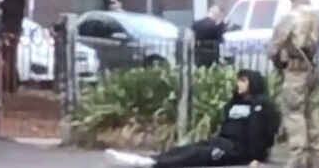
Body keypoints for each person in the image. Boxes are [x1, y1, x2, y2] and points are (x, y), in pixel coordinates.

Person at [105, 69, 280, 167]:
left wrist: (256, 157)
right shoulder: (234, 104)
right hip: (222, 141)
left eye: (243, 80)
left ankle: (155, 165)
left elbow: (263, 133)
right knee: (188, 148)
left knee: (198, 155)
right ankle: (154, 159)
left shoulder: (262, 105)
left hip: (238, 150)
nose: (238, 84)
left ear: (252, 82)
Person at [268, 0, 319, 168]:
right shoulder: (317, 16)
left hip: (294, 72)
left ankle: (297, 159)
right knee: (313, 113)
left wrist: (278, 63)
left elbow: (273, 47)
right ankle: (316, 157)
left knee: (294, 114)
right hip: (313, 71)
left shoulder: (290, 17)